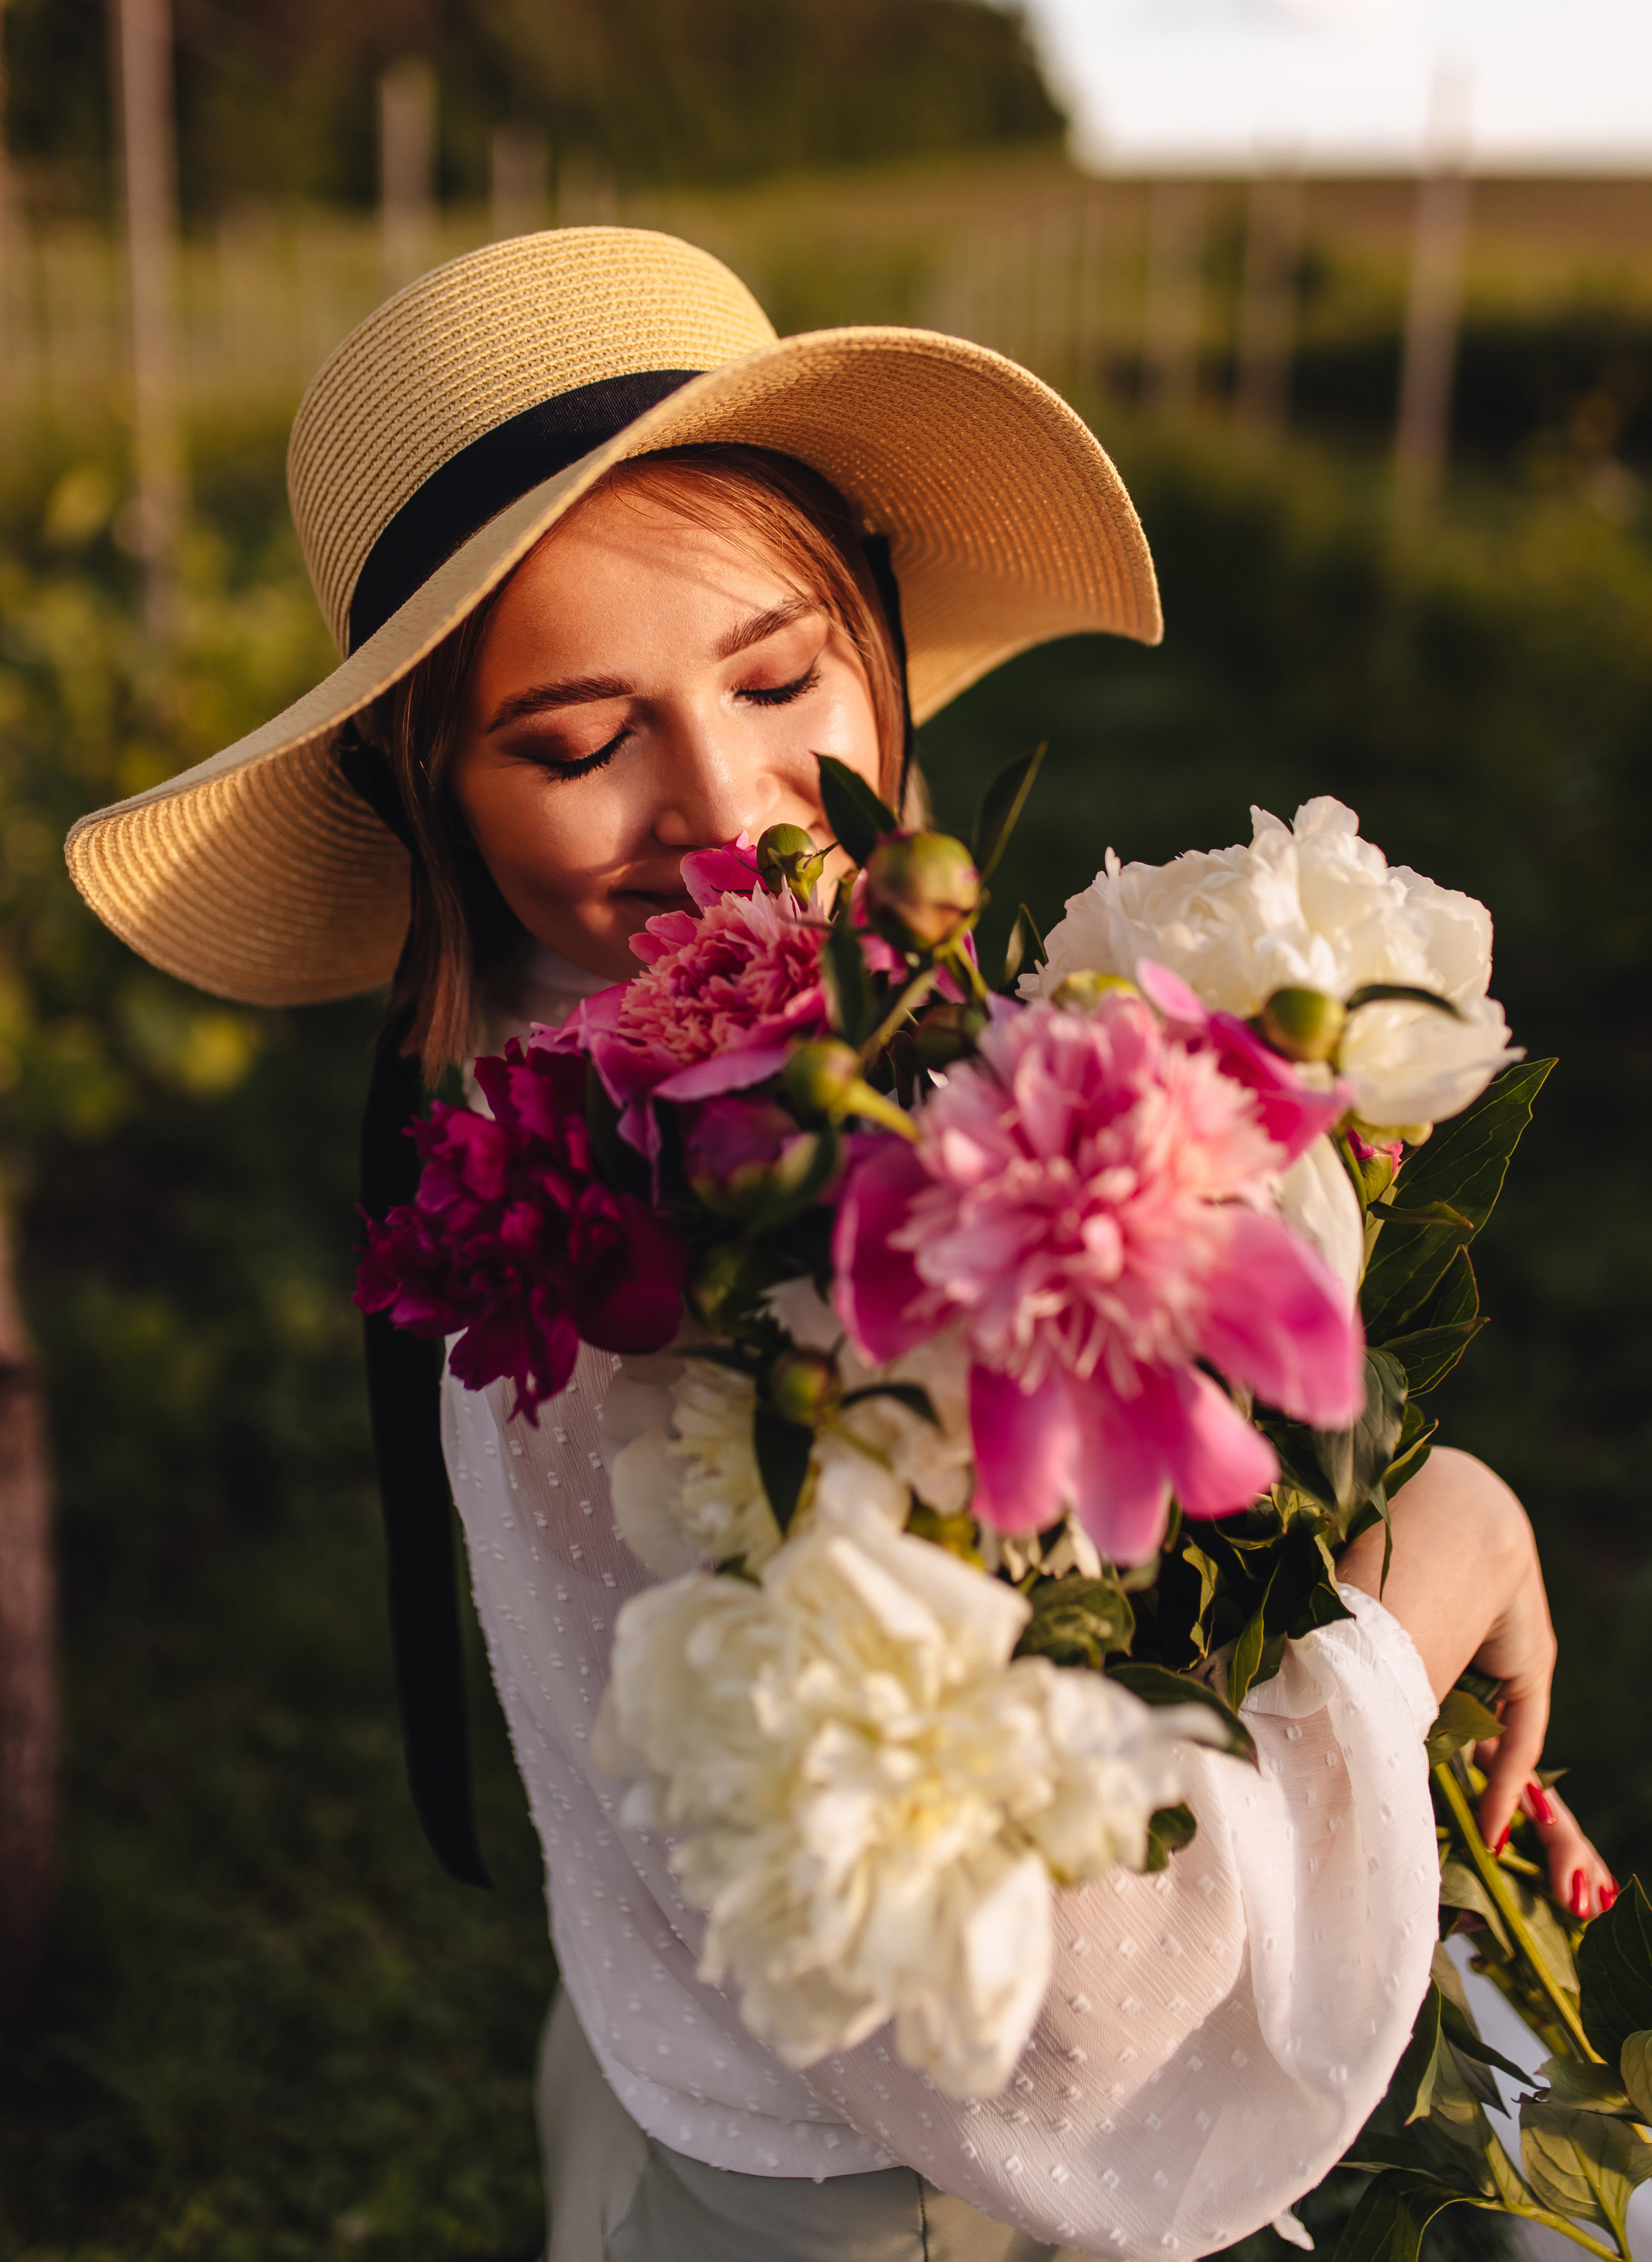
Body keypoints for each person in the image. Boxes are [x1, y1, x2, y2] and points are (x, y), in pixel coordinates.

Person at [66, 228, 1611, 2262]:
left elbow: (1086, 1606)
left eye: (779, 676)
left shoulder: (725, 1097)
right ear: (430, 797)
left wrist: (1345, 1744)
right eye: (575, 739)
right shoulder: (684, 1284)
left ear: (879, 649)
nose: (726, 810)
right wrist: (1426, 1590)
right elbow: (1081, 2005)